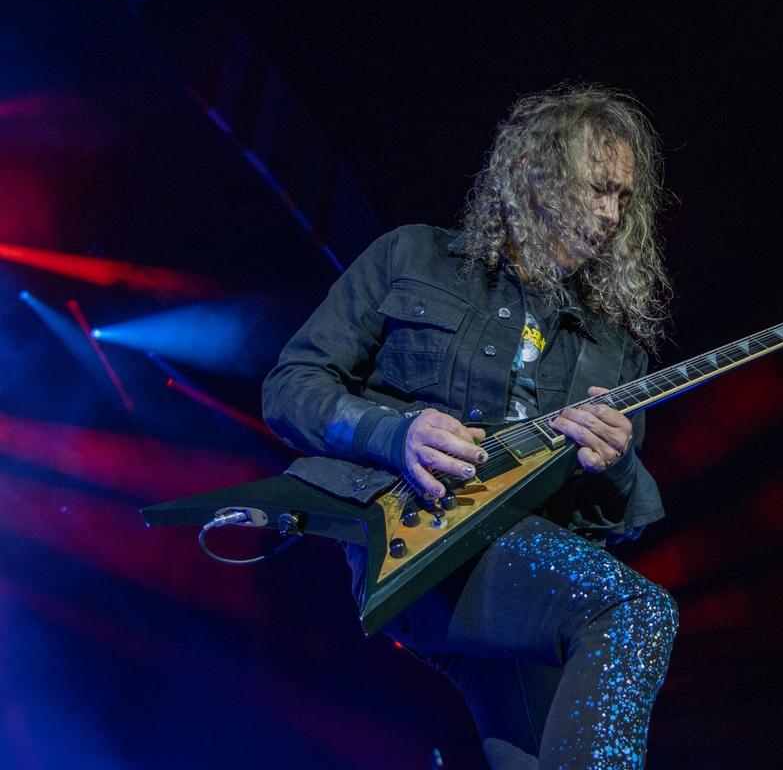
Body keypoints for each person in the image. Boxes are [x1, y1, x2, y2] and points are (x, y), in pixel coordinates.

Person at [262, 83, 677, 769]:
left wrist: (619, 463)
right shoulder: (411, 257)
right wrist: (396, 434)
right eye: (597, 189)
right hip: (412, 541)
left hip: (525, 574)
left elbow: (616, 523)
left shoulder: (615, 348)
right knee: (636, 611)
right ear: (532, 172)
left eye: (623, 198)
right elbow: (291, 388)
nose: (610, 215)